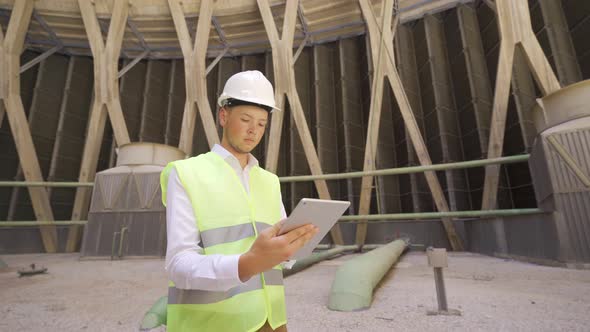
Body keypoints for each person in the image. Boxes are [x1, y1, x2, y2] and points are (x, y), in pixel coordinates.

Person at [160, 70, 319, 332]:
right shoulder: (186, 173)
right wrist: (246, 263)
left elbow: (279, 255)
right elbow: (178, 265)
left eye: (261, 123)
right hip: (214, 324)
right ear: (223, 115)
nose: (253, 131)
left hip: (272, 321)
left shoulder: (269, 181)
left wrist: (296, 243)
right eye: (245, 119)